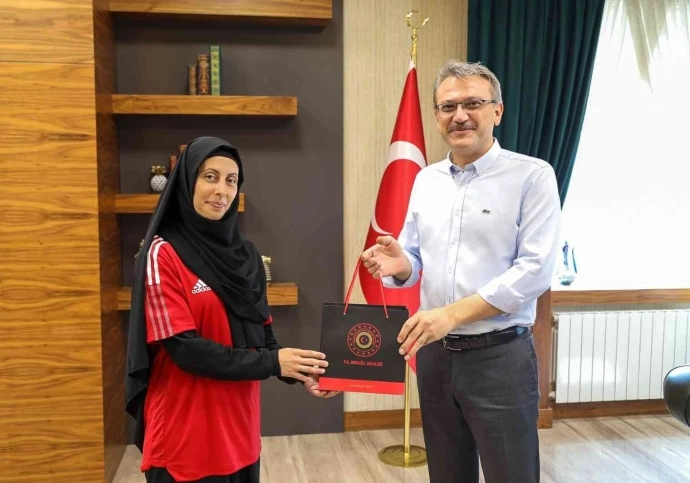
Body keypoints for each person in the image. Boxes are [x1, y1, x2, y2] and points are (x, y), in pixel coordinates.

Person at [361, 60, 561, 483]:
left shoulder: (532, 176)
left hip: (500, 358)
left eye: (473, 103)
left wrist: (450, 315)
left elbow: (534, 271)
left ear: (497, 111)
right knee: (448, 475)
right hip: (435, 357)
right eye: (448, 106)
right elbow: (413, 258)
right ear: (436, 116)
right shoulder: (426, 180)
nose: (460, 116)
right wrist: (400, 265)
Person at [125, 136, 338, 483]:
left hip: (240, 432)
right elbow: (186, 351)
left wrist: (301, 372)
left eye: (231, 180)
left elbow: (263, 337)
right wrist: (274, 363)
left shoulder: (247, 256)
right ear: (187, 181)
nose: (221, 190)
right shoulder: (162, 254)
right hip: (185, 436)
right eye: (210, 177)